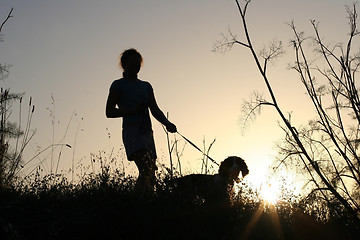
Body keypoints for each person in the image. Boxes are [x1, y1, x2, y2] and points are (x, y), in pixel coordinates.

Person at [106, 48, 177, 194]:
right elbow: (109, 112)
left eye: (138, 63)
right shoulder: (118, 85)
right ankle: (138, 202)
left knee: (151, 171)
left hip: (147, 133)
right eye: (132, 62)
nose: (136, 65)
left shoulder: (146, 86)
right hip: (132, 131)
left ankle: (147, 202)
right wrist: (133, 111)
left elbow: (155, 109)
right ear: (124, 64)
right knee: (146, 168)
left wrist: (168, 123)